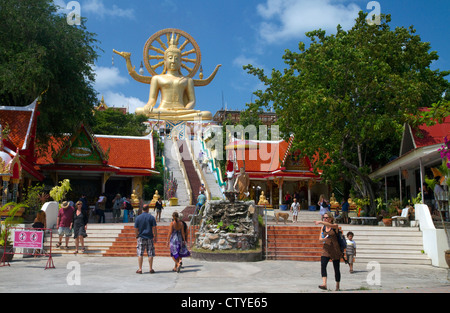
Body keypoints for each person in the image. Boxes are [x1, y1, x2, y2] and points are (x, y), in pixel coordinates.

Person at [315, 213, 342, 291]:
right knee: (323, 265)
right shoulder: (323, 227)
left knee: (336, 268)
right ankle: (324, 284)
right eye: (324, 217)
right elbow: (320, 238)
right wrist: (323, 239)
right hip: (326, 249)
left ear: (331, 219)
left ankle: (337, 286)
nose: (325, 219)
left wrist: (320, 222)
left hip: (335, 250)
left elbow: (331, 225)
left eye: (326, 217)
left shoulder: (335, 226)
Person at [134, 204, 157, 274]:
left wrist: (136, 235)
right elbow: (154, 228)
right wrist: (155, 236)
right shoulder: (151, 217)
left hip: (141, 237)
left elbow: (136, 228)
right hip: (149, 237)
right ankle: (150, 268)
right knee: (150, 253)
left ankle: (140, 269)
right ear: (148, 209)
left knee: (140, 253)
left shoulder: (138, 218)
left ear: (142, 209)